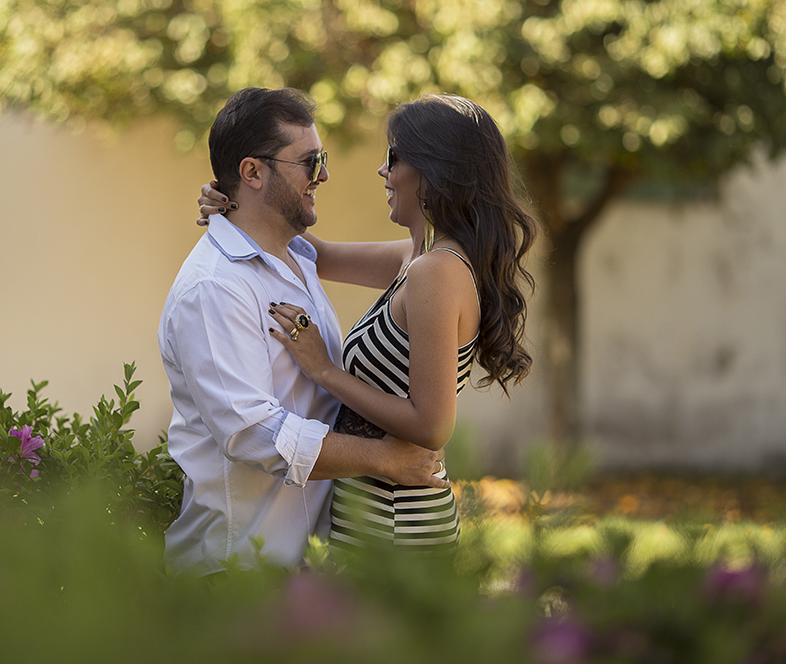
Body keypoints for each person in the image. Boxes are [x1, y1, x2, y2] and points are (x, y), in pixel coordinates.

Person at [199, 93, 538, 554]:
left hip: (398, 522)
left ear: (434, 168)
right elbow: (315, 253)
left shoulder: (436, 272)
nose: (383, 171)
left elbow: (432, 425)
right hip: (376, 513)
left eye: (393, 157)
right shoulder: (415, 260)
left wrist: (324, 372)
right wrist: (236, 203)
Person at [159, 87, 447, 576]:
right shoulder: (215, 287)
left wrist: (233, 202)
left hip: (303, 570)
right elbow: (253, 432)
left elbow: (422, 258)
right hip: (240, 571)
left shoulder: (298, 259)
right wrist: (385, 460)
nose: (325, 175)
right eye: (310, 162)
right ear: (252, 171)